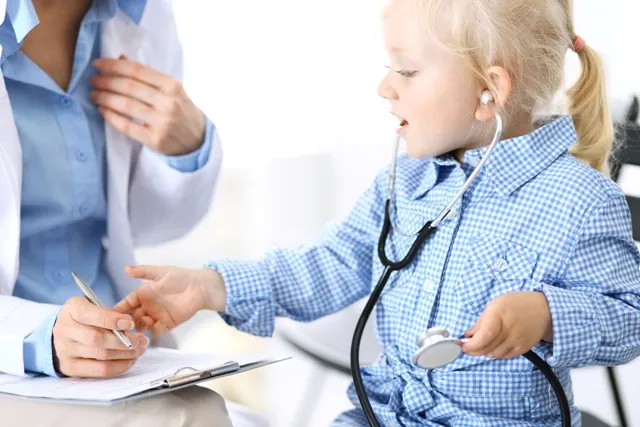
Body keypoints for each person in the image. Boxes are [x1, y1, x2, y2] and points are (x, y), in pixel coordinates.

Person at [116, 0, 640, 425]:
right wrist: (211, 286)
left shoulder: (580, 202)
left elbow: (631, 319)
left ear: (490, 90)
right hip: (383, 416)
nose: (385, 87)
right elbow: (332, 262)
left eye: (406, 70)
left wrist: (546, 315)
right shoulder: (407, 182)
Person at [0, 1, 263, 426]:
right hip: (11, 366)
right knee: (194, 417)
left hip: (123, 358)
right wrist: (34, 338)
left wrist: (185, 149)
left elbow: (150, 223)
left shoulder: (142, 14)